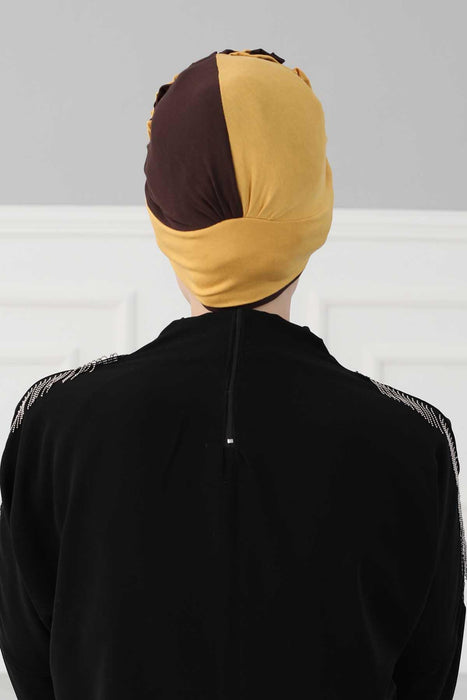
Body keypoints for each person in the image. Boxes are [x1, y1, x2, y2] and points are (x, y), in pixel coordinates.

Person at [0, 48, 465, 700]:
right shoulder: (412, 439)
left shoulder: (53, 424)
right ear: (317, 207)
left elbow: (35, 671)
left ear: (163, 217)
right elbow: (427, 676)